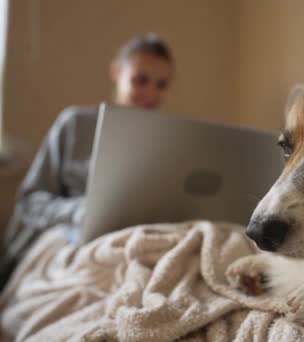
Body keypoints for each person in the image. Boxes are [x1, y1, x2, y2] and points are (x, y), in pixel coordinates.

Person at [0, 33, 174, 289]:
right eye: (140, 80)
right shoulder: (76, 124)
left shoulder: (167, 139)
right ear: (117, 72)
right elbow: (30, 202)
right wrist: (83, 210)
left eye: (161, 85)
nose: (151, 93)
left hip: (143, 239)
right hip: (79, 236)